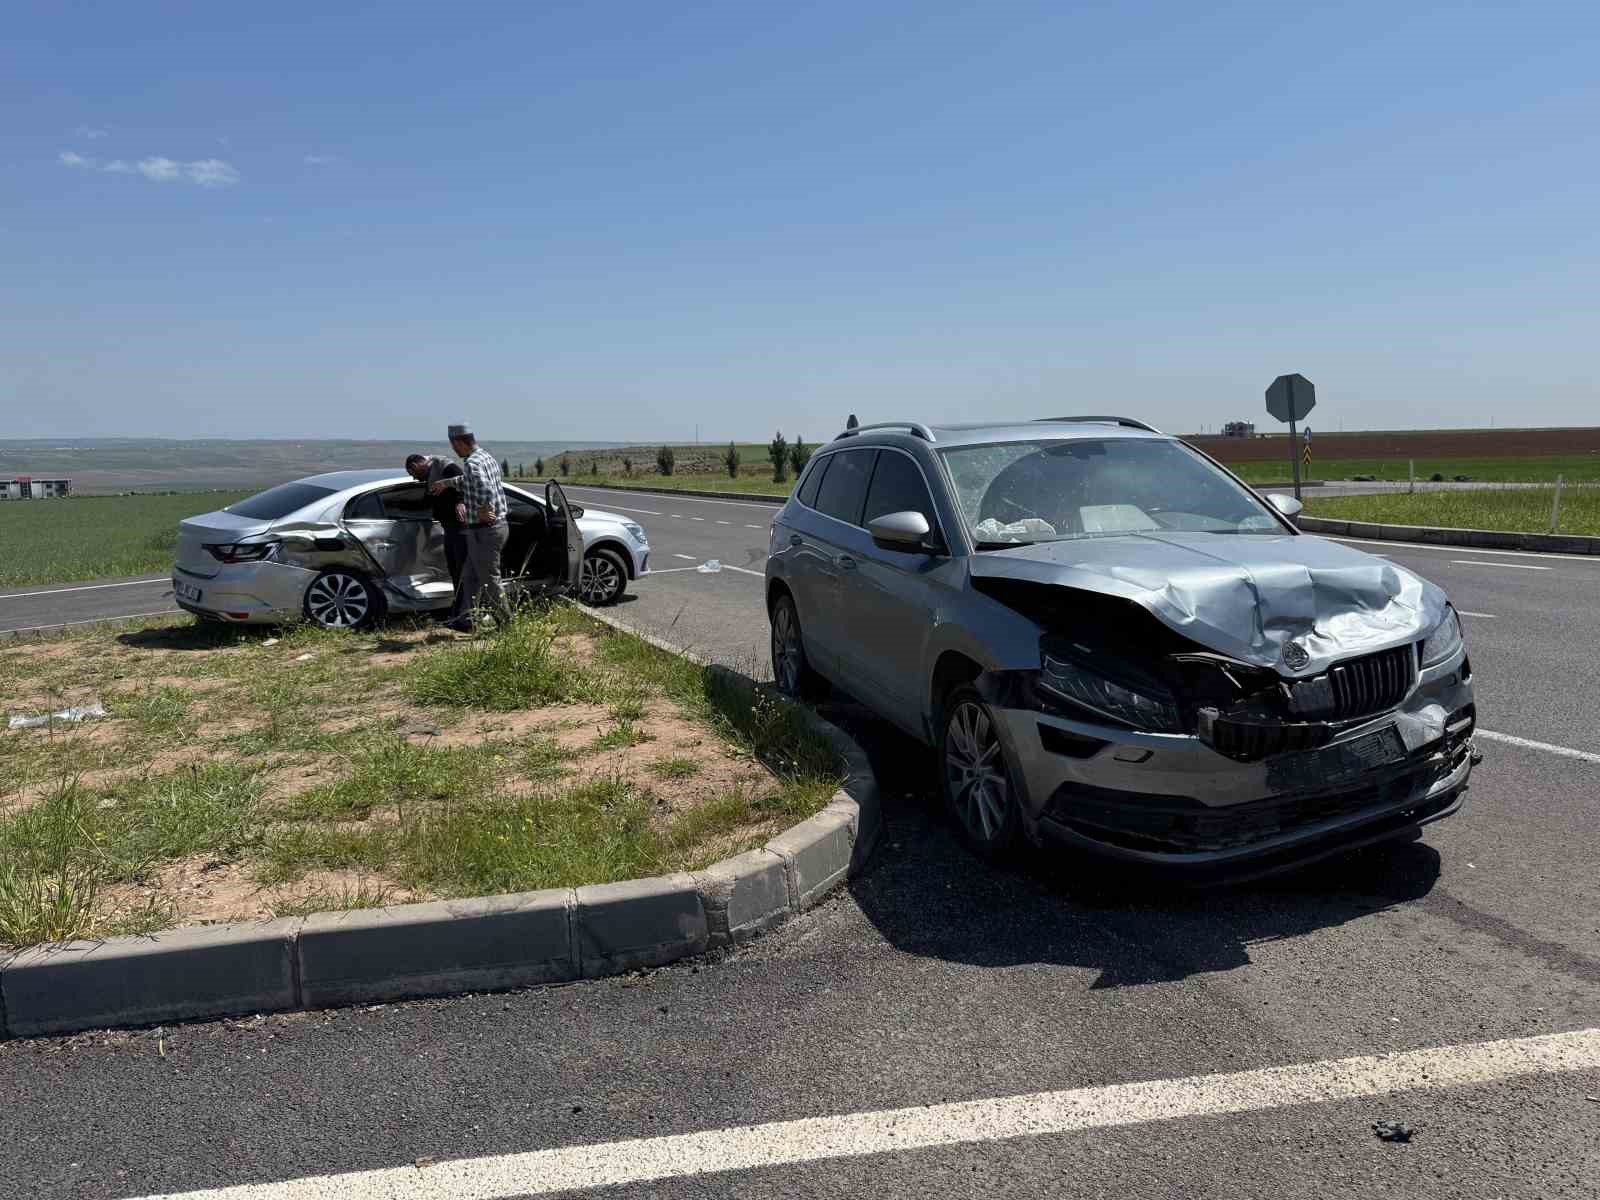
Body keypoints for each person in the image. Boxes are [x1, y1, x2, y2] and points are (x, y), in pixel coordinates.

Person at [440, 422, 510, 631]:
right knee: (470, 577)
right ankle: (466, 620)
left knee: (489, 580)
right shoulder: (485, 457)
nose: (454, 449)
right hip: (492, 528)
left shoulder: (471, 462)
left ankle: (507, 625)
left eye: (454, 445)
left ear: (459, 442)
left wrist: (484, 508)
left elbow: (485, 488)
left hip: (484, 531)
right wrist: (447, 483)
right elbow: (470, 482)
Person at [404, 452, 467, 605]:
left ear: (415, 466)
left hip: (460, 527)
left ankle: (464, 606)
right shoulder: (431, 475)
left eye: (412, 473)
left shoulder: (444, 467)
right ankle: (461, 604)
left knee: (461, 569)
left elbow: (469, 482)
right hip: (449, 527)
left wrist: (461, 501)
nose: (414, 478)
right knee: (454, 568)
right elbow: (427, 501)